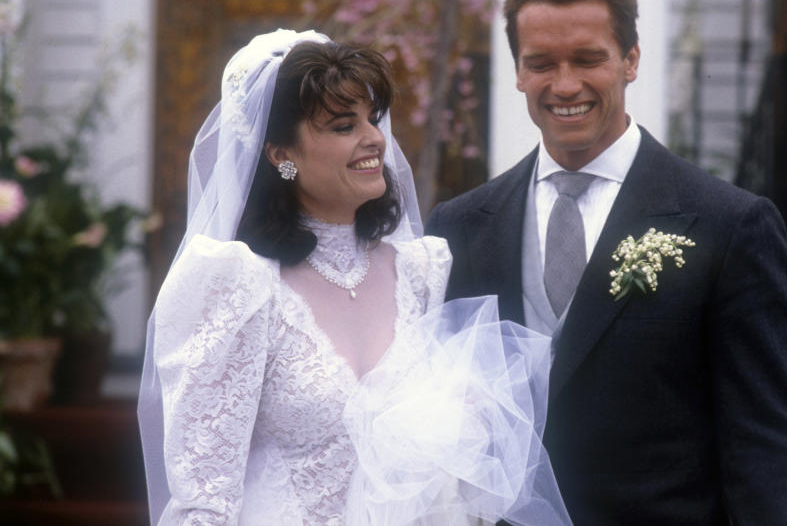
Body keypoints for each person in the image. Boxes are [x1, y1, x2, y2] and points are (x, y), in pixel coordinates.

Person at [425, 0, 787, 524]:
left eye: (588, 60)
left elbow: (769, 443)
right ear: (516, 71)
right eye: (541, 63)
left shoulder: (730, 225)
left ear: (631, 60)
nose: (564, 85)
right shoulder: (458, 227)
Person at [137, 30, 571, 525]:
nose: (373, 138)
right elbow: (204, 497)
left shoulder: (421, 271)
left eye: (372, 118)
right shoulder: (235, 286)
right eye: (343, 126)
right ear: (281, 155)